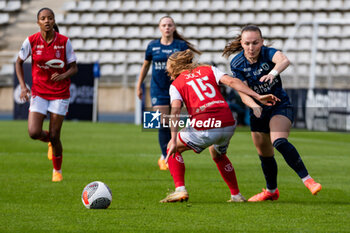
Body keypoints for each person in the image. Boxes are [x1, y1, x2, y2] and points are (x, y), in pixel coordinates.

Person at [160, 49, 279, 203]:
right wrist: (257, 96)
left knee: (172, 147)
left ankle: (180, 190)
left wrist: (173, 138)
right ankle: (236, 195)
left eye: (169, 69)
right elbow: (232, 81)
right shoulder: (208, 69)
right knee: (218, 154)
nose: (168, 73)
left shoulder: (176, 84)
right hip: (228, 123)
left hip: (207, 126)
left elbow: (175, 110)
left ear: (174, 68)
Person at [222, 25, 322, 202]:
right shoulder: (237, 63)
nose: (251, 48)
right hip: (258, 109)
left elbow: (284, 60)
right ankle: (271, 191)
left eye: (255, 43)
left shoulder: (268, 53)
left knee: (279, 141)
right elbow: (243, 93)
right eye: (247, 43)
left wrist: (272, 73)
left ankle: (309, 180)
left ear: (261, 42)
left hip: (279, 105)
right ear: (241, 43)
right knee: (265, 154)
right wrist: (255, 105)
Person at [15, 7, 78, 182]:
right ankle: (48, 141)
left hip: (59, 93)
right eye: (43, 18)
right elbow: (18, 62)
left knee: (55, 134)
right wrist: (22, 86)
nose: (47, 21)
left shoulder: (64, 42)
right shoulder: (31, 41)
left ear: (54, 21)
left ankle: (57, 170)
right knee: (34, 132)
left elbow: (74, 68)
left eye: (50, 18)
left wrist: (63, 75)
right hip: (39, 92)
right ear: (38, 22)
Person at [136, 16, 201, 171]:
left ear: (174, 28)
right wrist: (139, 85)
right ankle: (165, 156)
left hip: (177, 88)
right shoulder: (152, 46)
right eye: (164, 25)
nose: (167, 27)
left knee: (174, 122)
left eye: (169, 25)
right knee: (161, 123)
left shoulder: (180, 45)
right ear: (160, 28)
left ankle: (172, 151)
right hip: (157, 89)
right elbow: (145, 67)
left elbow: (189, 67)